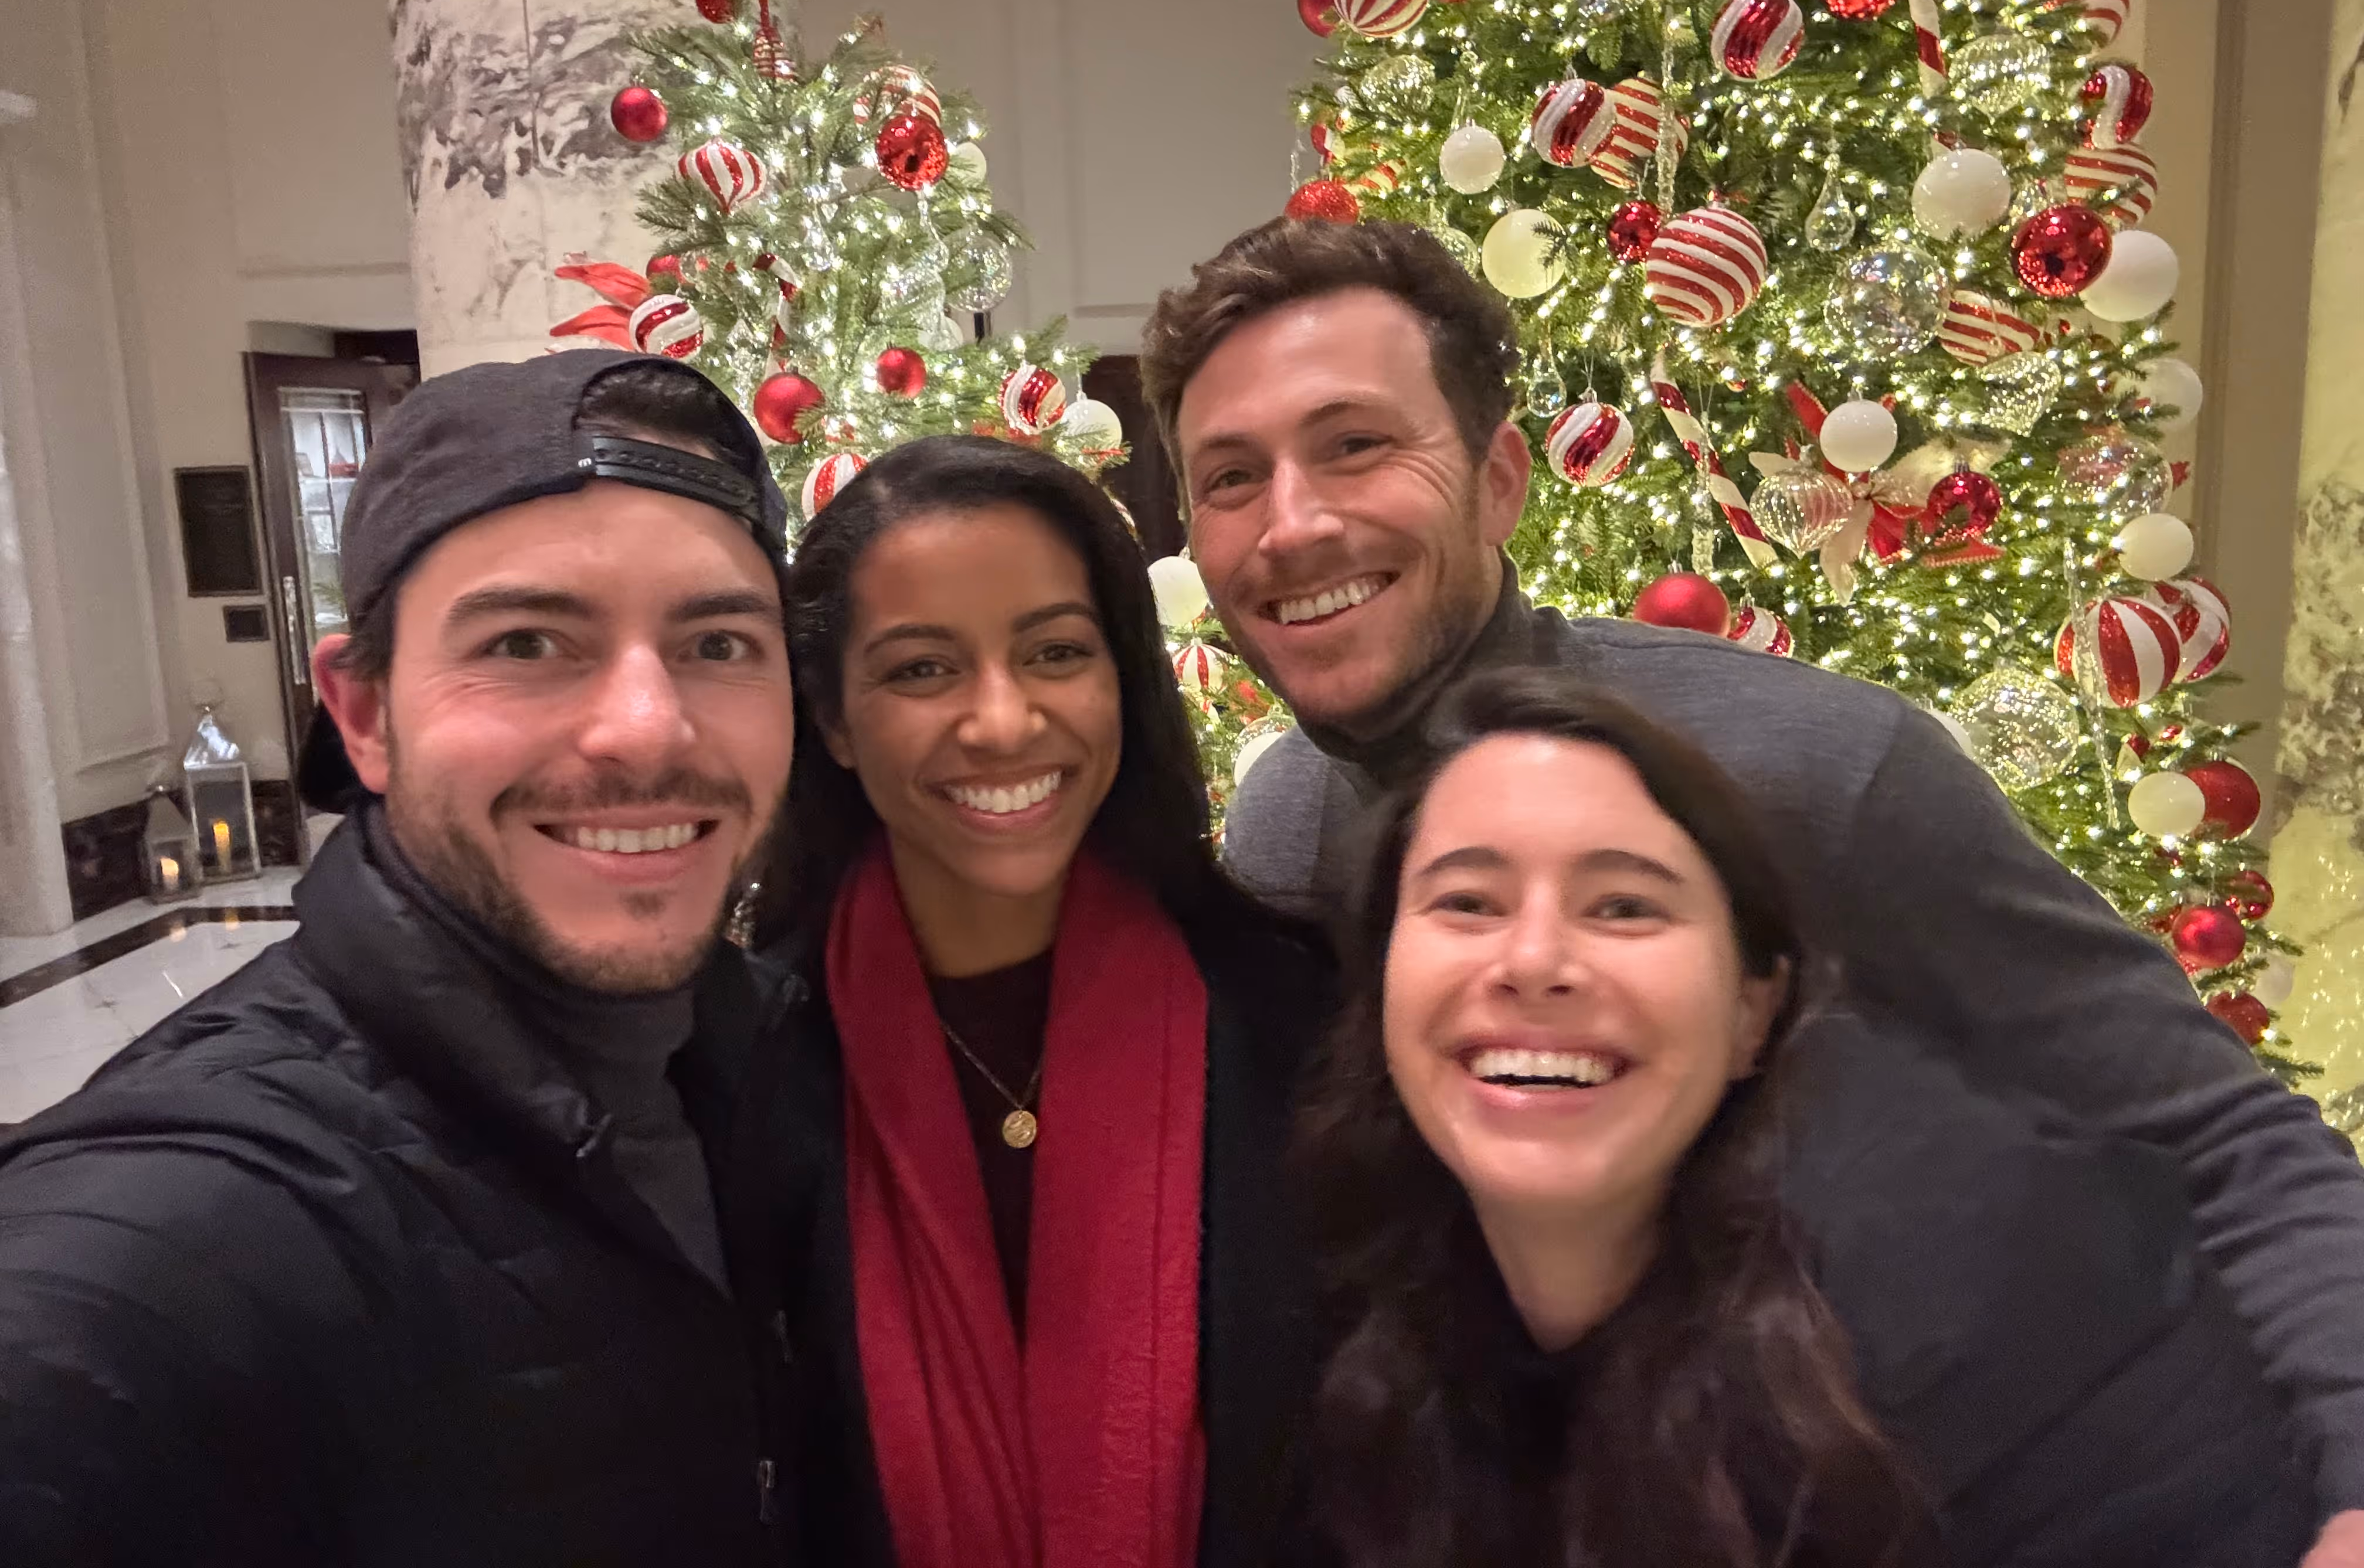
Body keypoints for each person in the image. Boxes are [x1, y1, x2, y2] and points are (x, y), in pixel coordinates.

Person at [1138, 217, 2364, 1556]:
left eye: (1356, 445)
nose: (1293, 525)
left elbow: (2223, 1142)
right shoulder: (1283, 825)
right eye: (1231, 478)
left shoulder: (1815, 775)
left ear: (1498, 480)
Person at [0, 353, 795, 1566]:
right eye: (528, 641)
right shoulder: (191, 1226)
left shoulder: (768, 1056)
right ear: (364, 713)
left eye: (721, 644)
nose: (647, 725)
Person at [1290, 668, 2312, 1567]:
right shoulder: (1358, 1318)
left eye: (1625, 906)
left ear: (1754, 1010)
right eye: (1468, 902)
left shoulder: (1992, 1334)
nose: (1534, 961)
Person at [721, 434, 1334, 1568]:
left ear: (1121, 677)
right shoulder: (734, 1075)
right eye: (921, 669)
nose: (1002, 722)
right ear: (838, 721)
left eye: (1055, 652)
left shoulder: (1298, 1028)